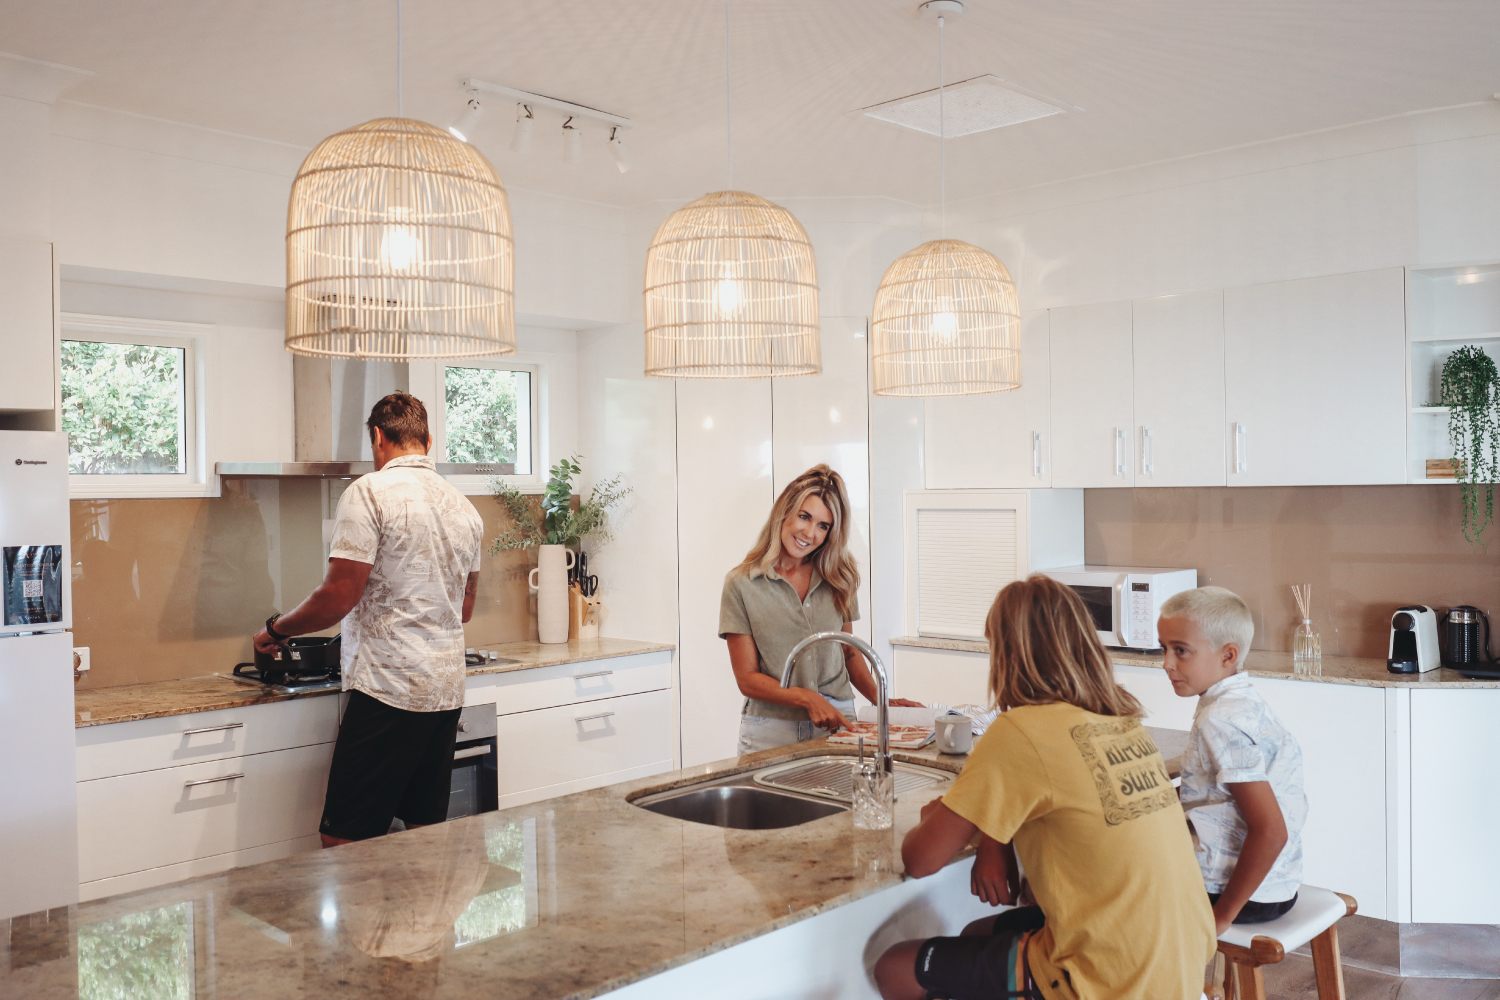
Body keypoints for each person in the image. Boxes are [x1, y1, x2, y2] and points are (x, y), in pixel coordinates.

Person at [874, 575, 1215, 1000]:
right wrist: (991, 837)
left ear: (1007, 653)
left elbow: (920, 859)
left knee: (897, 968)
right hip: (1177, 956)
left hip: (1109, 976)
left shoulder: (1019, 730)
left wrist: (944, 819)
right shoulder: (1122, 724)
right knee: (978, 933)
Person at [252, 392, 485, 847]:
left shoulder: (368, 492)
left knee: (344, 841)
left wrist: (275, 629)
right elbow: (465, 609)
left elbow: (338, 596)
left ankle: (368, 921)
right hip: (444, 690)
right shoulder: (465, 508)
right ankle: (419, 921)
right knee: (424, 832)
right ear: (428, 440)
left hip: (389, 691)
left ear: (378, 436)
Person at [719, 464, 920, 755]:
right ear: (784, 512)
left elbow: (848, 651)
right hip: (771, 729)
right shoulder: (741, 584)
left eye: (823, 526)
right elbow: (747, 678)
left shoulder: (839, 577)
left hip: (837, 721)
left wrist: (881, 699)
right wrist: (806, 698)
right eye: (804, 517)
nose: (810, 533)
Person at [1159, 586, 1308, 934]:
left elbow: (1271, 832)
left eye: (1181, 651)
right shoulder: (1243, 701)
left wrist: (1221, 917)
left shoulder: (1220, 719)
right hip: (1278, 886)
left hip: (1231, 894)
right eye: (1163, 649)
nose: (1166, 663)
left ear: (1228, 656)